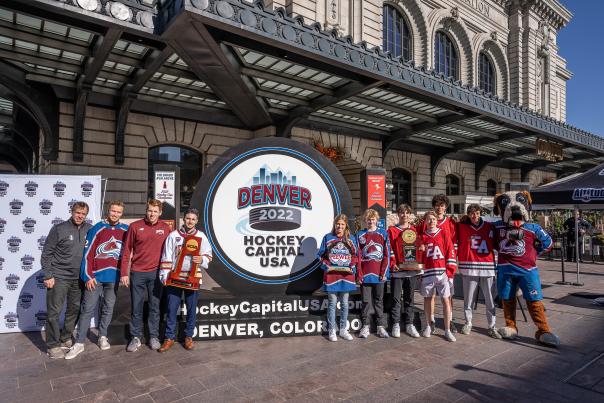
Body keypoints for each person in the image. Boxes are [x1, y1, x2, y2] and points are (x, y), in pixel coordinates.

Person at [64, 201, 128, 359]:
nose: (115, 214)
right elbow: (88, 254)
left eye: (118, 212)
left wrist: (125, 273)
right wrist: (88, 276)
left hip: (113, 279)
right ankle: (79, 342)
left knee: (108, 308)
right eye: (113, 211)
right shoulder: (97, 228)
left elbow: (128, 254)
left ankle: (102, 336)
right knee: (87, 309)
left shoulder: (126, 230)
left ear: (122, 214)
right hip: (95, 278)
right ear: (108, 210)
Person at [41, 201, 92, 359]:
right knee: (54, 312)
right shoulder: (59, 229)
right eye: (77, 212)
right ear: (72, 211)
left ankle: (66, 337)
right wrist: (48, 275)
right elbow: (47, 253)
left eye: (83, 214)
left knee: (73, 309)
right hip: (59, 277)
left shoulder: (90, 229)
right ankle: (52, 345)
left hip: (79, 279)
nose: (80, 216)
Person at [158, 208, 212, 352]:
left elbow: (208, 255)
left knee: (191, 309)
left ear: (197, 221)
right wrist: (164, 275)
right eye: (188, 218)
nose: (190, 221)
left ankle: (188, 336)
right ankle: (169, 337)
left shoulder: (201, 236)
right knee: (171, 309)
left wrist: (202, 259)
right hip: (175, 277)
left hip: (193, 277)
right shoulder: (173, 235)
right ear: (184, 219)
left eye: (193, 219)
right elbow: (167, 255)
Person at [120, 199, 171, 352]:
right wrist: (124, 272)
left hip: (156, 274)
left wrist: (169, 272)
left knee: (155, 307)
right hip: (137, 273)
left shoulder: (165, 228)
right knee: (136, 306)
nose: (152, 214)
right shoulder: (135, 226)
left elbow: (171, 251)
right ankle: (135, 337)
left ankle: (153, 336)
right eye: (150, 210)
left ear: (160, 213)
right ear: (146, 210)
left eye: (155, 211)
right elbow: (127, 251)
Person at [456, 204, 501, 339]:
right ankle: (468, 322)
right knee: (468, 299)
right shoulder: (461, 226)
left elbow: (498, 243)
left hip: (487, 267)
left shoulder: (490, 226)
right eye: (471, 213)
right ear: (468, 214)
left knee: (489, 299)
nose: (474, 216)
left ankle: (492, 325)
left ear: (480, 213)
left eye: (476, 213)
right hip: (469, 266)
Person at [317, 214, 358, 342]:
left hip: (346, 276)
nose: (339, 226)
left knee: (345, 304)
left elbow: (356, 256)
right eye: (337, 224)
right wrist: (326, 266)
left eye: (342, 224)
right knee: (332, 303)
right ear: (334, 225)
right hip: (332, 276)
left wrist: (352, 266)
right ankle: (332, 330)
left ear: (346, 226)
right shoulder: (328, 238)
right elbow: (320, 256)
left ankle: (343, 329)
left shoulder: (351, 239)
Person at [420, 194, 457, 334]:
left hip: (444, 265)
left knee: (448, 296)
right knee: (430, 296)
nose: (439, 207)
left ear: (445, 207)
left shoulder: (451, 223)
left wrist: (450, 269)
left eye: (442, 205)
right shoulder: (424, 224)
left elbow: (453, 244)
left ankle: (450, 322)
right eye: (437, 205)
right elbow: (418, 242)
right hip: (430, 267)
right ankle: (431, 321)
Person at [388, 204, 421, 338]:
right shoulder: (391, 230)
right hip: (398, 270)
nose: (404, 215)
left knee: (409, 298)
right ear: (398, 214)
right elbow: (389, 248)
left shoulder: (414, 230)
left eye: (407, 213)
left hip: (411, 269)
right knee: (396, 298)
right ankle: (395, 324)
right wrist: (393, 263)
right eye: (402, 213)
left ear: (410, 215)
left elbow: (417, 248)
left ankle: (409, 324)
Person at [356, 209, 390, 339]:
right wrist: (359, 274)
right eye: (368, 219)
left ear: (377, 220)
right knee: (365, 301)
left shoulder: (383, 233)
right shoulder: (360, 234)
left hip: (379, 275)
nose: (371, 221)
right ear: (365, 220)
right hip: (365, 275)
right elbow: (358, 256)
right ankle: (365, 326)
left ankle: (381, 326)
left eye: (373, 219)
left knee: (378, 301)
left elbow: (386, 255)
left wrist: (383, 273)